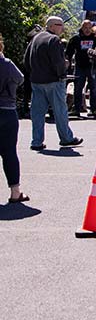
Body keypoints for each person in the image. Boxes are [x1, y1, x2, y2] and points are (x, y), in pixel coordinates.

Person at [25, 16, 82, 152]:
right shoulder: (54, 40)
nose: (62, 28)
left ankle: (36, 141)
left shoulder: (35, 39)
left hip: (37, 81)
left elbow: (26, 60)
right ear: (51, 26)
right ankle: (66, 138)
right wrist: (63, 71)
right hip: (53, 81)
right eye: (60, 25)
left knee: (37, 113)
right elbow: (58, 62)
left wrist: (34, 73)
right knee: (60, 111)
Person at [0, 34, 28, 203]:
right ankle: (15, 192)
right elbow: (20, 79)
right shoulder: (7, 64)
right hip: (6, 109)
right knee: (9, 152)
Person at [66, 20, 96, 118]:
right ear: (81, 28)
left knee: (94, 89)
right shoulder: (76, 38)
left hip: (92, 66)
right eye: (85, 28)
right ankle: (76, 109)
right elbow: (69, 51)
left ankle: (93, 110)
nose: (87, 30)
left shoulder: (95, 38)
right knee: (78, 89)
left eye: (89, 28)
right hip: (80, 66)